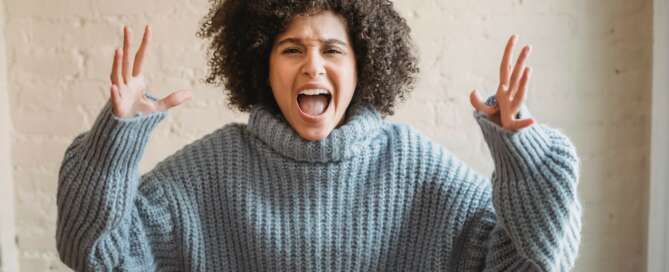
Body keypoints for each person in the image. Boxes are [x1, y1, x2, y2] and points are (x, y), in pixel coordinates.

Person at [56, 0, 581, 271]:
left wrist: (523, 157)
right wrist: (113, 144)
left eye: (332, 50)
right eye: (291, 49)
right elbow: (97, 256)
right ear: (262, 66)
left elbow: (531, 263)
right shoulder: (208, 172)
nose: (312, 66)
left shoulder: (414, 168)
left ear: (362, 67)